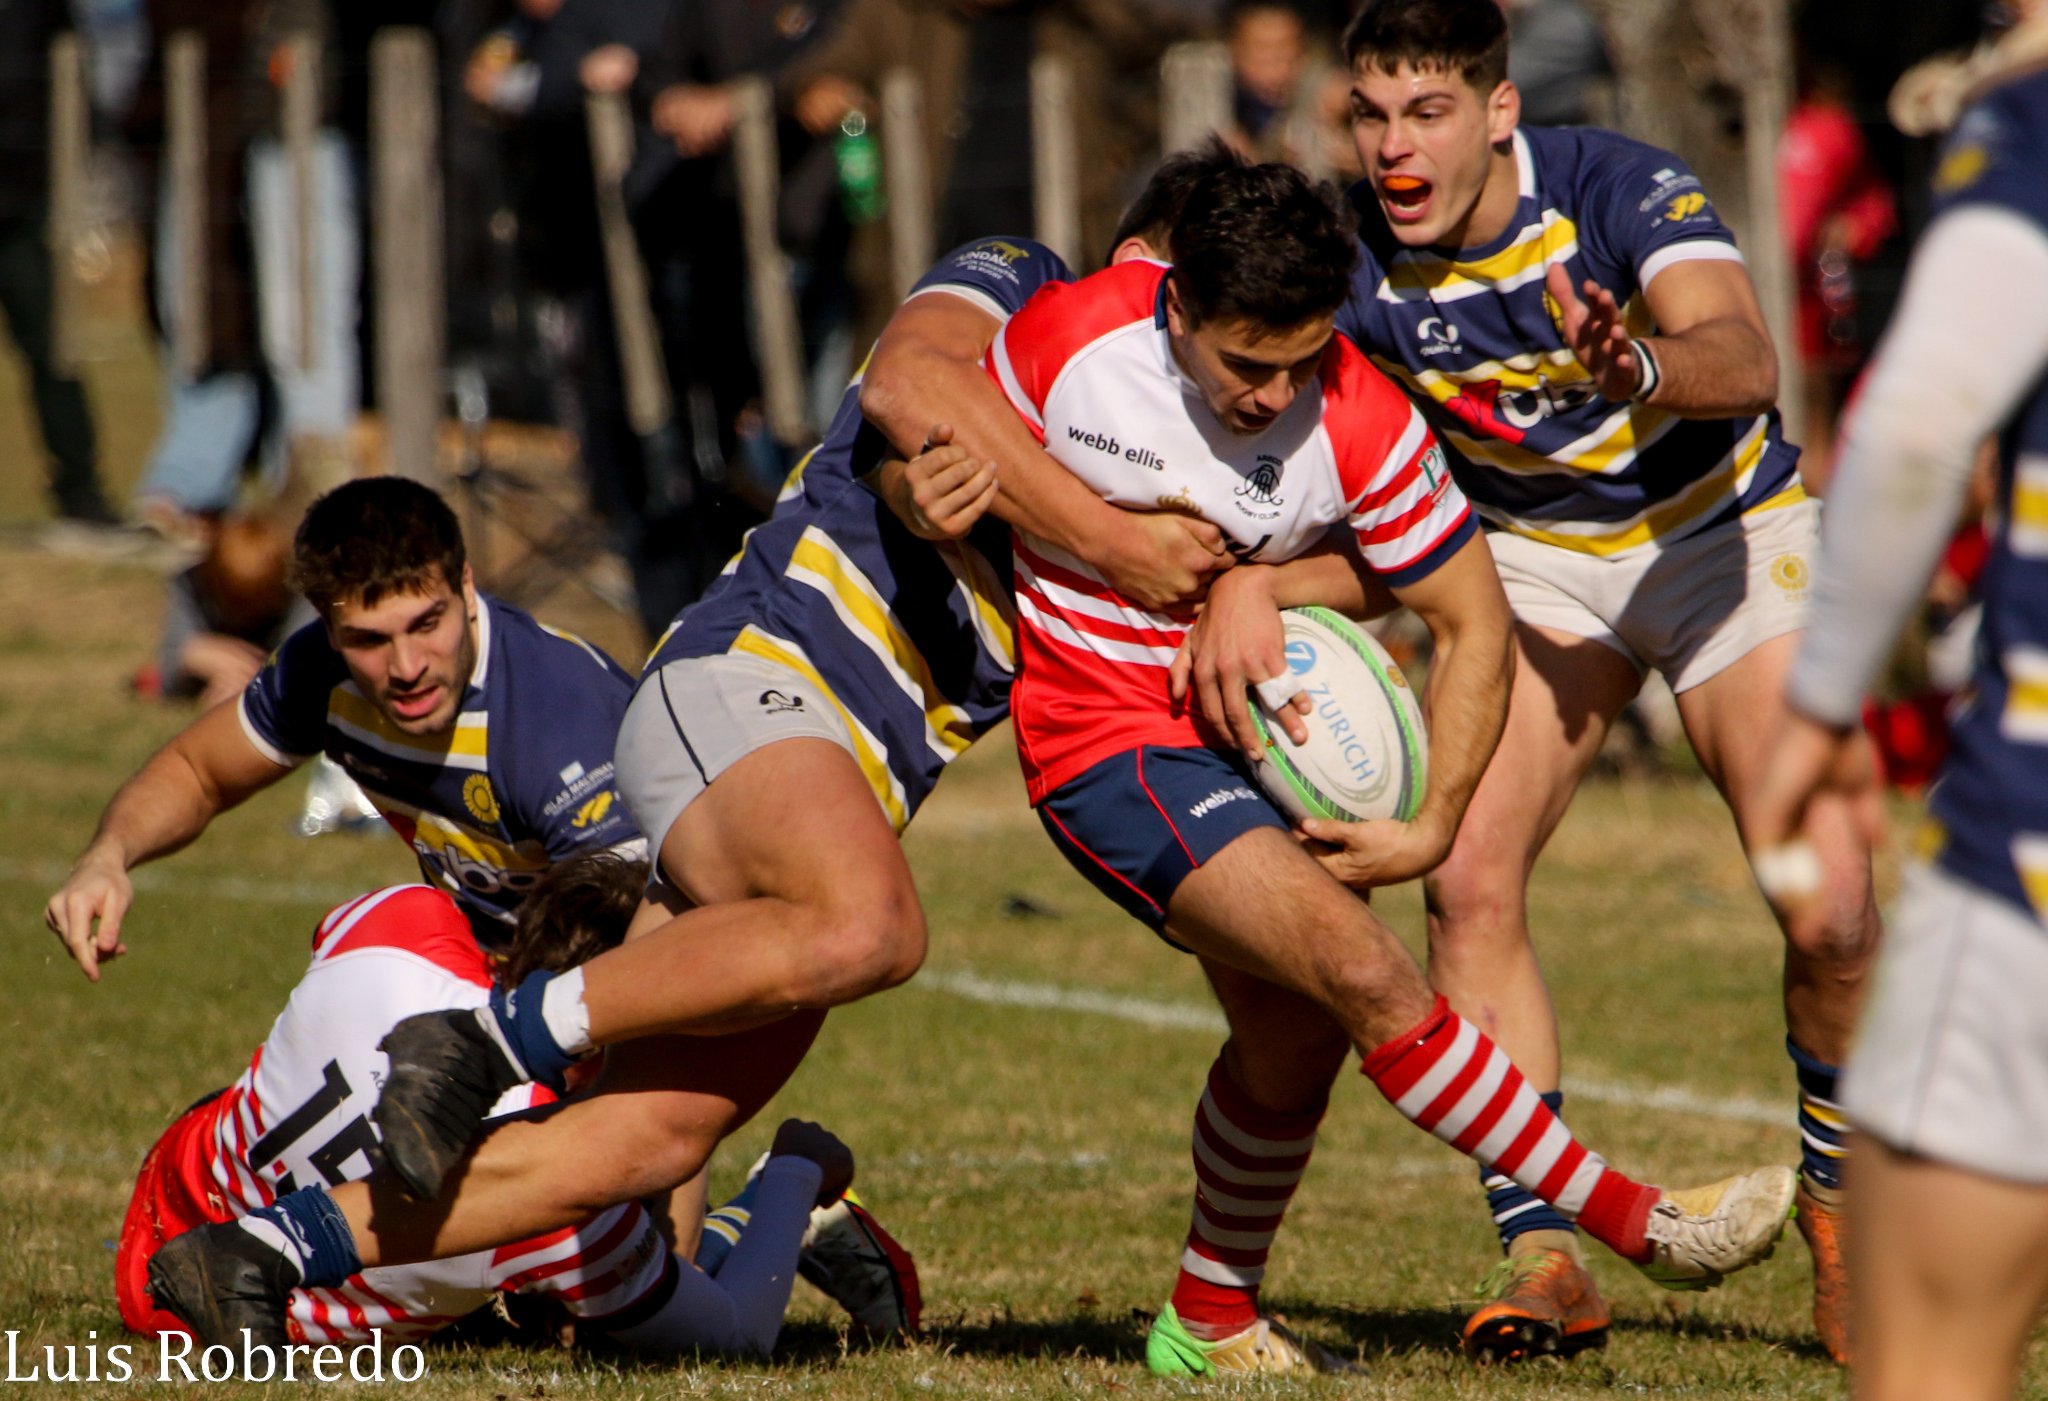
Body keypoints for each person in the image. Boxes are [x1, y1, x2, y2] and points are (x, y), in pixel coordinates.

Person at [137, 155, 1238, 1350]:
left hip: (822, 795)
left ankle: (263, 1249)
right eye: (1153, 292)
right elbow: (905, 391)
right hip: (744, 687)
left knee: (633, 1147)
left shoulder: (1166, 477)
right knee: (872, 928)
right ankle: (490, 1038)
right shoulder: (1027, 292)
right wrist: (944, 497)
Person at [983, 157, 1793, 1378]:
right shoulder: (1070, 337)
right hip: (1105, 735)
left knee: (1294, 1041)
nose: (1269, 396)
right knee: (1360, 966)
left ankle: (1202, 1323)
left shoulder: (1356, 409)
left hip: (1263, 745)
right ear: (1175, 305)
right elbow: (922, 422)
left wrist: (1432, 829)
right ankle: (1639, 1221)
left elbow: (1470, 616)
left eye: (1298, 361)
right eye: (1242, 364)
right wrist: (1020, 513)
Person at [1325, 0, 1880, 1364]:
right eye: (1374, 114)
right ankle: (1547, 1250)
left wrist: (1632, 360)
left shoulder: (1616, 187)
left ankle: (1845, 1200)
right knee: (1467, 871)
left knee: (1835, 909)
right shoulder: (1352, 255)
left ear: (1499, 113)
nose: (1396, 148)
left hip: (1720, 543)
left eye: (1429, 112)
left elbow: (1743, 358)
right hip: (1531, 565)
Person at [1747, 13, 2048, 1399]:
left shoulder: (2031, 122)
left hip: (2025, 860)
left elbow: (1920, 418)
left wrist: (1817, 710)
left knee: (1929, 1350)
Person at [123, 852, 915, 1354]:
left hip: (165, 1193)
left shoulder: (404, 919)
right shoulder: (563, 1196)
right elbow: (734, 1329)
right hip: (210, 1326)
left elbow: (326, 936)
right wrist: (796, 1172)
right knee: (643, 1289)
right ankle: (784, 1188)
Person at [44, 476, 644, 957]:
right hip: (505, 977)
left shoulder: (559, 718)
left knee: (391, 938)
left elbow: (649, 949)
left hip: (620, 997)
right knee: (368, 943)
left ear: (465, 583)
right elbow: (198, 772)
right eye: (369, 639)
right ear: (325, 627)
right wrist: (106, 858)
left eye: (427, 623)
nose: (407, 666)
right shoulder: (319, 673)